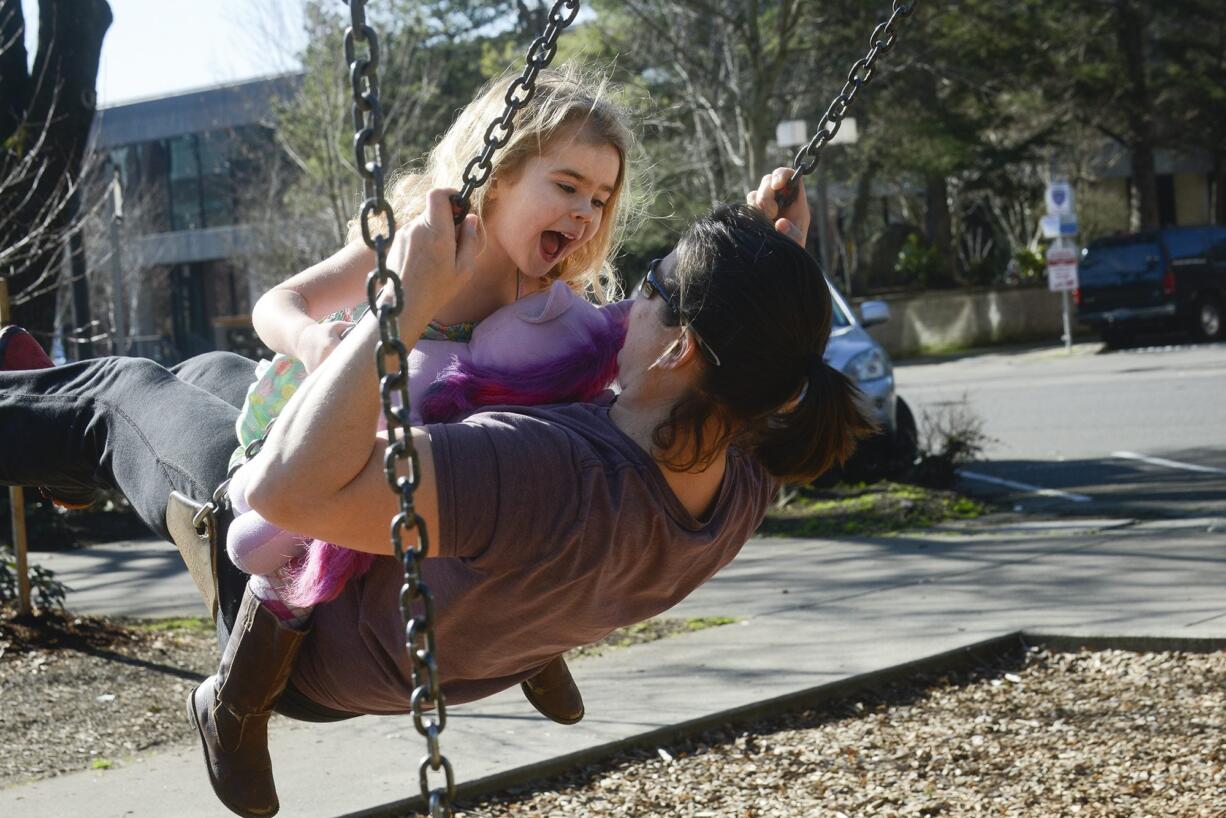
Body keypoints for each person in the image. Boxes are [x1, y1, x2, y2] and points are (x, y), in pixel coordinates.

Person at [0, 169, 875, 818]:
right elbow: (759, 350)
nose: (627, 301)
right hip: (457, 657)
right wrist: (774, 255)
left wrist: (402, 308)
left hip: (313, 643)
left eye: (648, 289)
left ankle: (66, 443)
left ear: (681, 351)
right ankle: (73, 463)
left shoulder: (543, 472)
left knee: (121, 398)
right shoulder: (749, 472)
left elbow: (287, 492)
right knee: (224, 375)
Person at [220, 65, 635, 732]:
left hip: (428, 461)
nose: (585, 213)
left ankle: (533, 651)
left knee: (517, 485)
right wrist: (312, 344)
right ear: (496, 173)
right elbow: (277, 303)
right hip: (320, 433)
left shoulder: (547, 303)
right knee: (284, 542)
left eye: (600, 199)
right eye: (567, 186)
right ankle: (242, 697)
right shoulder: (407, 245)